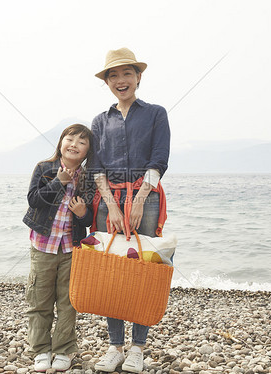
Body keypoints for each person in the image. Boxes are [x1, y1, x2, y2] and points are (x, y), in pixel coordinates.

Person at [90, 48, 171, 373]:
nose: (120, 80)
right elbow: (96, 168)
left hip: (146, 199)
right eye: (113, 75)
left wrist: (138, 200)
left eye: (126, 74)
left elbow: (159, 158)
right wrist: (112, 205)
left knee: (144, 269)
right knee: (112, 271)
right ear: (108, 82)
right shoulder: (100, 120)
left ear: (138, 77)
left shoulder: (156, 113)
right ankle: (115, 346)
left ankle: (138, 347)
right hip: (109, 202)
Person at [22, 124, 94, 372]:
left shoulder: (87, 177)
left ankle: (63, 350)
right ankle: (41, 349)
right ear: (61, 142)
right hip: (43, 245)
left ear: (87, 151)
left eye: (81, 142)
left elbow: (88, 219)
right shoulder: (45, 168)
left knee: (68, 302)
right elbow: (33, 199)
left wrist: (83, 213)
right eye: (70, 138)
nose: (74, 144)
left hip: (71, 248)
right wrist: (59, 182)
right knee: (39, 300)